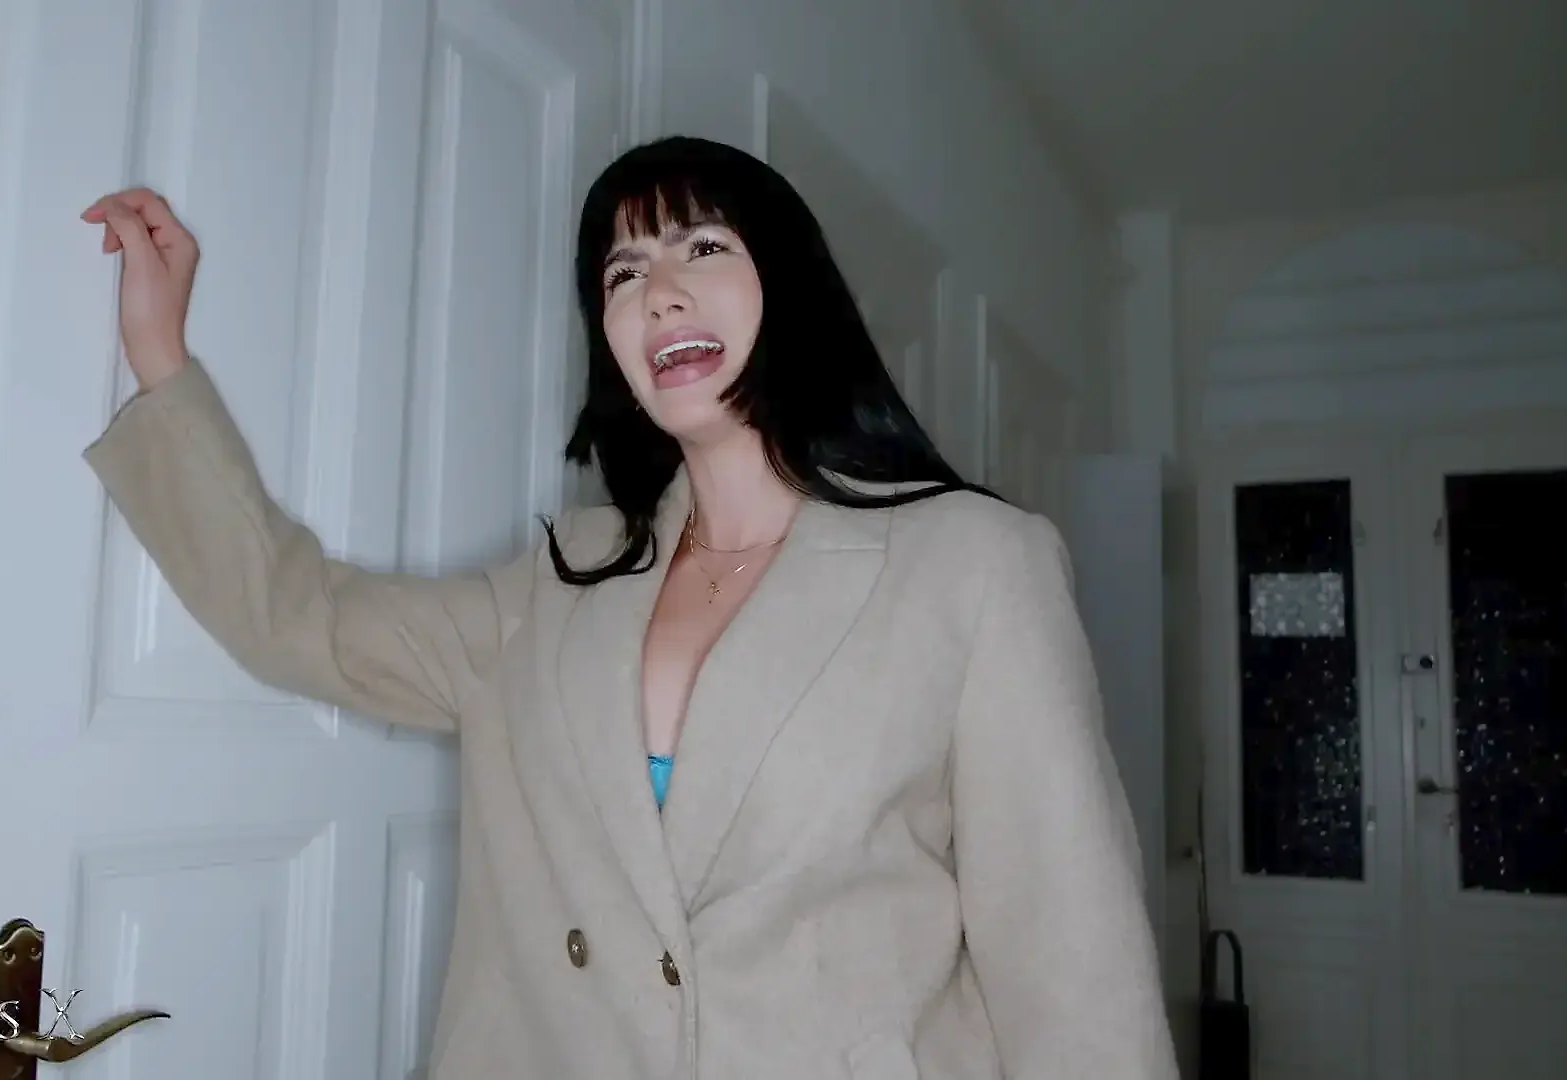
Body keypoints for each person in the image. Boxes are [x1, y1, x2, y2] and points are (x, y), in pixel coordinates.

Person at [79, 135, 1177, 1079]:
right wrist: (161, 360)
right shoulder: (562, 579)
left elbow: (1072, 971)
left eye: (704, 247)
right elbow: (300, 618)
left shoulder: (975, 565)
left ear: (788, 283)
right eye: (623, 272)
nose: (660, 293)